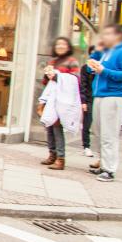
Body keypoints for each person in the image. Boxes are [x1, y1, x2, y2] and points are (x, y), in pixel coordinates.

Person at [87, 24, 122, 182]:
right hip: (100, 94)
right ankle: (103, 164)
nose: (104, 37)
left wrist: (104, 71)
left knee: (109, 134)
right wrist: (94, 60)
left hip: (114, 95)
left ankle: (110, 169)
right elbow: (92, 68)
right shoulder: (106, 52)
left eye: (108, 34)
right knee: (99, 132)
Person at [39, 37, 80, 170]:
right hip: (51, 98)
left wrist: (57, 77)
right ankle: (52, 154)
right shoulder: (53, 61)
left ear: (68, 47)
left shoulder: (72, 62)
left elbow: (76, 81)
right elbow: (46, 83)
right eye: (58, 44)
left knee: (57, 128)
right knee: (49, 127)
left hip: (63, 100)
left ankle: (60, 159)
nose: (60, 46)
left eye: (63, 44)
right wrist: (47, 75)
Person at [80, 43, 103, 158]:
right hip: (89, 99)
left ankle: (100, 151)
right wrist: (83, 101)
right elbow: (83, 85)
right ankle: (86, 146)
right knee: (87, 123)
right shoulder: (85, 68)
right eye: (93, 52)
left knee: (100, 126)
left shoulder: (104, 67)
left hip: (101, 98)